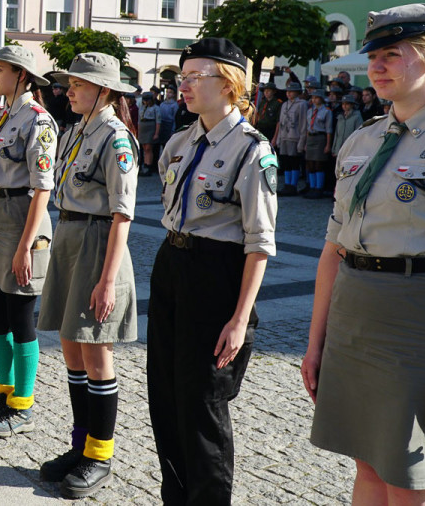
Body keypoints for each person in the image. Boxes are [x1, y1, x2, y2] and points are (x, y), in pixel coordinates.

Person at [302, 4, 425, 503]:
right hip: (354, 317)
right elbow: (334, 251)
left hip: (420, 324)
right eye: (372, 56)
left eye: (391, 55)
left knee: (409, 478)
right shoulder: (362, 140)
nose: (375, 67)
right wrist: (316, 344)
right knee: (368, 464)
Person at [149, 37, 276, 505]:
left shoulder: (251, 150)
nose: (182, 86)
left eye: (194, 77)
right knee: (165, 395)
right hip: (172, 264)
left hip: (216, 275)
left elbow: (259, 243)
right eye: (181, 77)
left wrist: (240, 320)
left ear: (228, 84)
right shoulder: (180, 141)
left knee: (203, 404)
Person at [38, 53, 139, 497]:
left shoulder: (116, 137)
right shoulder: (76, 130)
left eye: (79, 84)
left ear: (105, 91)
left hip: (97, 244)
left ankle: (99, 456)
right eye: (70, 83)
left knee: (96, 354)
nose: (69, 90)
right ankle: (80, 446)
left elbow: (122, 214)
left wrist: (107, 280)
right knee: (71, 348)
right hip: (69, 237)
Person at [0, 44, 56, 438]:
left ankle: (23, 405)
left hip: (23, 219)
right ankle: (4, 396)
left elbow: (42, 189)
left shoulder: (38, 120)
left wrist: (26, 245)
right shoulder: (0, 116)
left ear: (21, 75)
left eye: (0, 70)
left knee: (21, 318)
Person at [274, 81, 308, 196]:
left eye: (291, 91)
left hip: (295, 137)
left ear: (297, 92)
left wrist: (302, 141)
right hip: (284, 137)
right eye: (287, 91)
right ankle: (287, 184)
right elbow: (281, 123)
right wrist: (279, 138)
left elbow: (303, 124)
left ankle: (293, 185)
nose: (288, 93)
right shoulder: (284, 104)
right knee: (286, 162)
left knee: (294, 162)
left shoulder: (302, 104)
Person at [302, 90, 333, 199]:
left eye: (316, 97)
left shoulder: (327, 111)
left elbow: (329, 129)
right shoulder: (310, 111)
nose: (314, 100)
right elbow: (307, 127)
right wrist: (306, 142)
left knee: (319, 164)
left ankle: (319, 188)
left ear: (321, 99)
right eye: (313, 98)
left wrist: (328, 144)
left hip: (320, 137)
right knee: (310, 164)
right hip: (311, 137)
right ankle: (312, 187)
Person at [138, 92, 159, 176]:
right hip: (142, 129)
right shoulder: (142, 108)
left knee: (148, 148)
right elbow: (139, 120)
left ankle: (149, 166)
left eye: (147, 100)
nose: (146, 102)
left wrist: (156, 133)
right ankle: (145, 165)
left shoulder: (155, 108)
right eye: (145, 100)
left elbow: (158, 121)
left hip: (150, 128)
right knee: (144, 148)